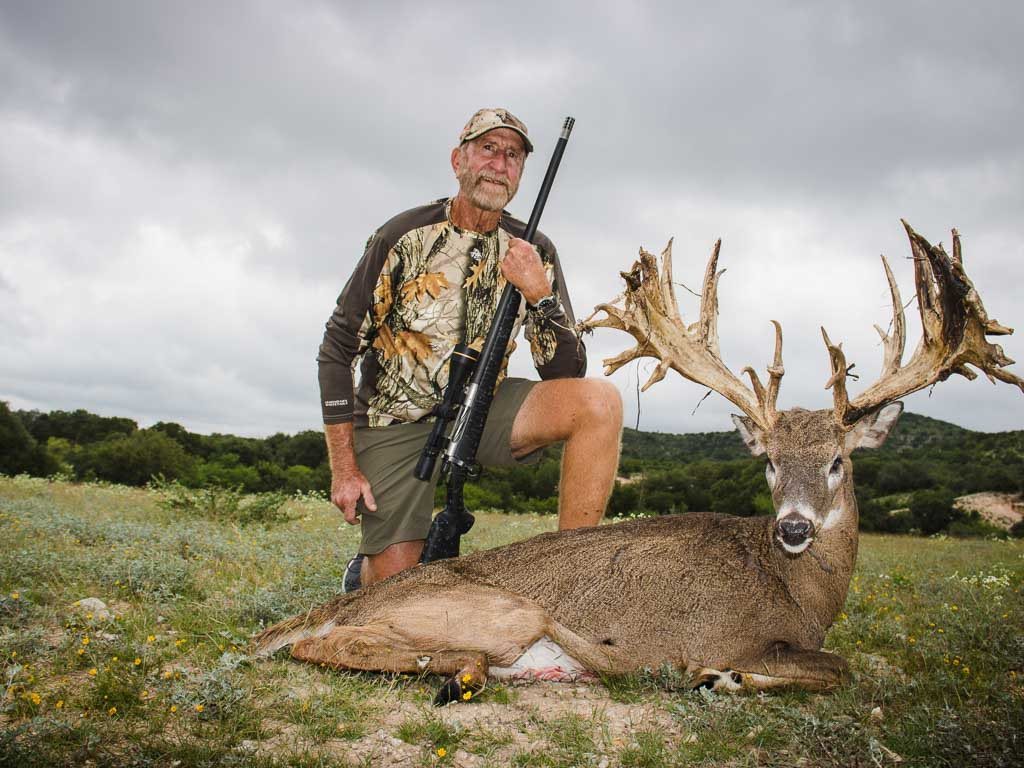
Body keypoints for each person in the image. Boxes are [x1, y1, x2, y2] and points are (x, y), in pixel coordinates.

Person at [317, 107, 623, 591]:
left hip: (481, 409)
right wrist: (345, 469)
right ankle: (366, 574)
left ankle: (573, 577)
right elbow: (336, 349)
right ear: (458, 160)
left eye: (513, 156)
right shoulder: (403, 235)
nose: (500, 164)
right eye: (488, 149)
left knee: (598, 401)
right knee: (399, 593)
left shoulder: (534, 248)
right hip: (395, 421)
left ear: (521, 172)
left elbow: (565, 370)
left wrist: (540, 296)